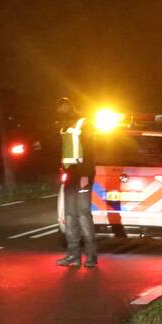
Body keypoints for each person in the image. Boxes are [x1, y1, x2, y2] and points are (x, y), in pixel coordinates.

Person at [55, 97, 97, 268]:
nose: (61, 110)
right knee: (70, 216)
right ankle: (73, 255)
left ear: (70, 106)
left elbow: (89, 150)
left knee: (83, 215)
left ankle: (91, 256)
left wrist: (85, 175)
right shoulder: (62, 126)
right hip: (70, 174)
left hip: (81, 174)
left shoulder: (83, 123)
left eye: (63, 107)